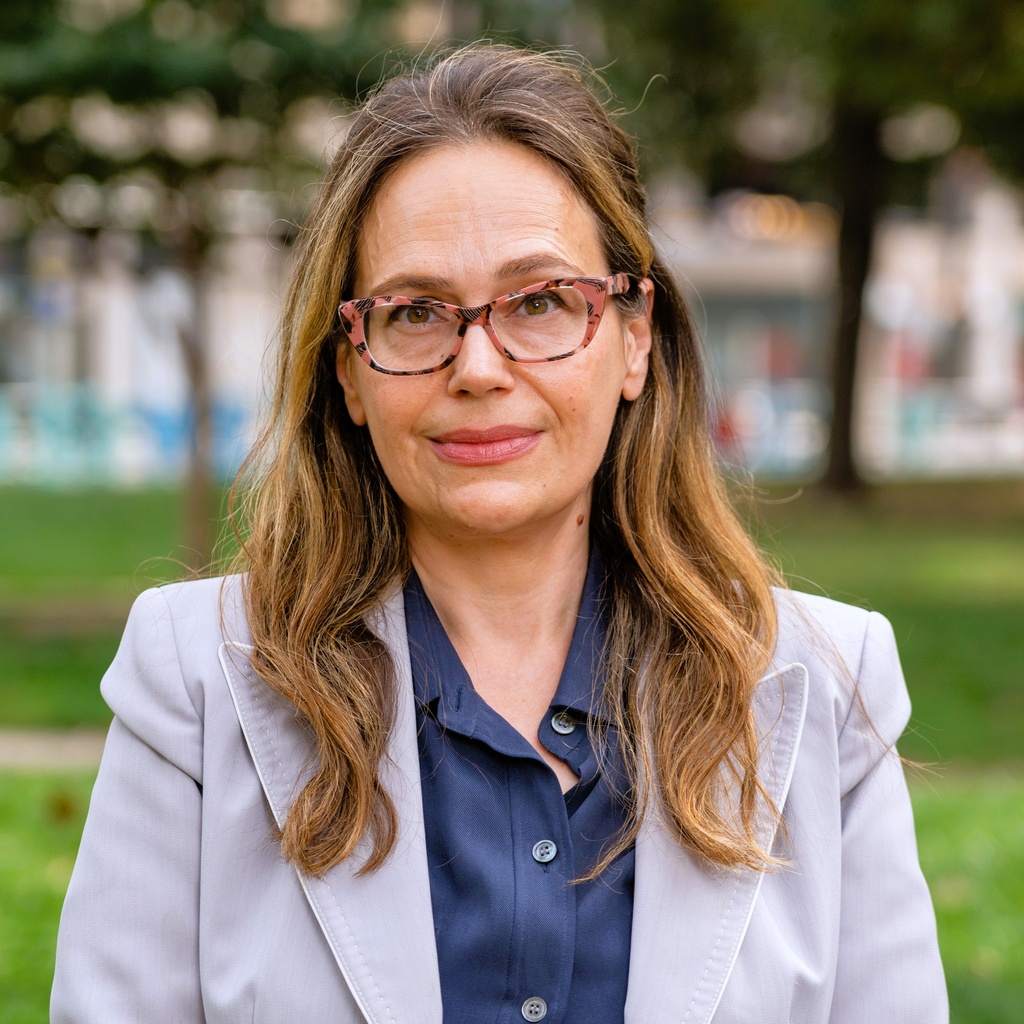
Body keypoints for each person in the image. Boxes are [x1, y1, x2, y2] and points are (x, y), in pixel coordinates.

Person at [51, 44, 947, 1024]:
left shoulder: (825, 693)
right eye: (416, 312)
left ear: (633, 337)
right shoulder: (196, 687)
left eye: (540, 301)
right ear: (348, 368)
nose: (477, 365)